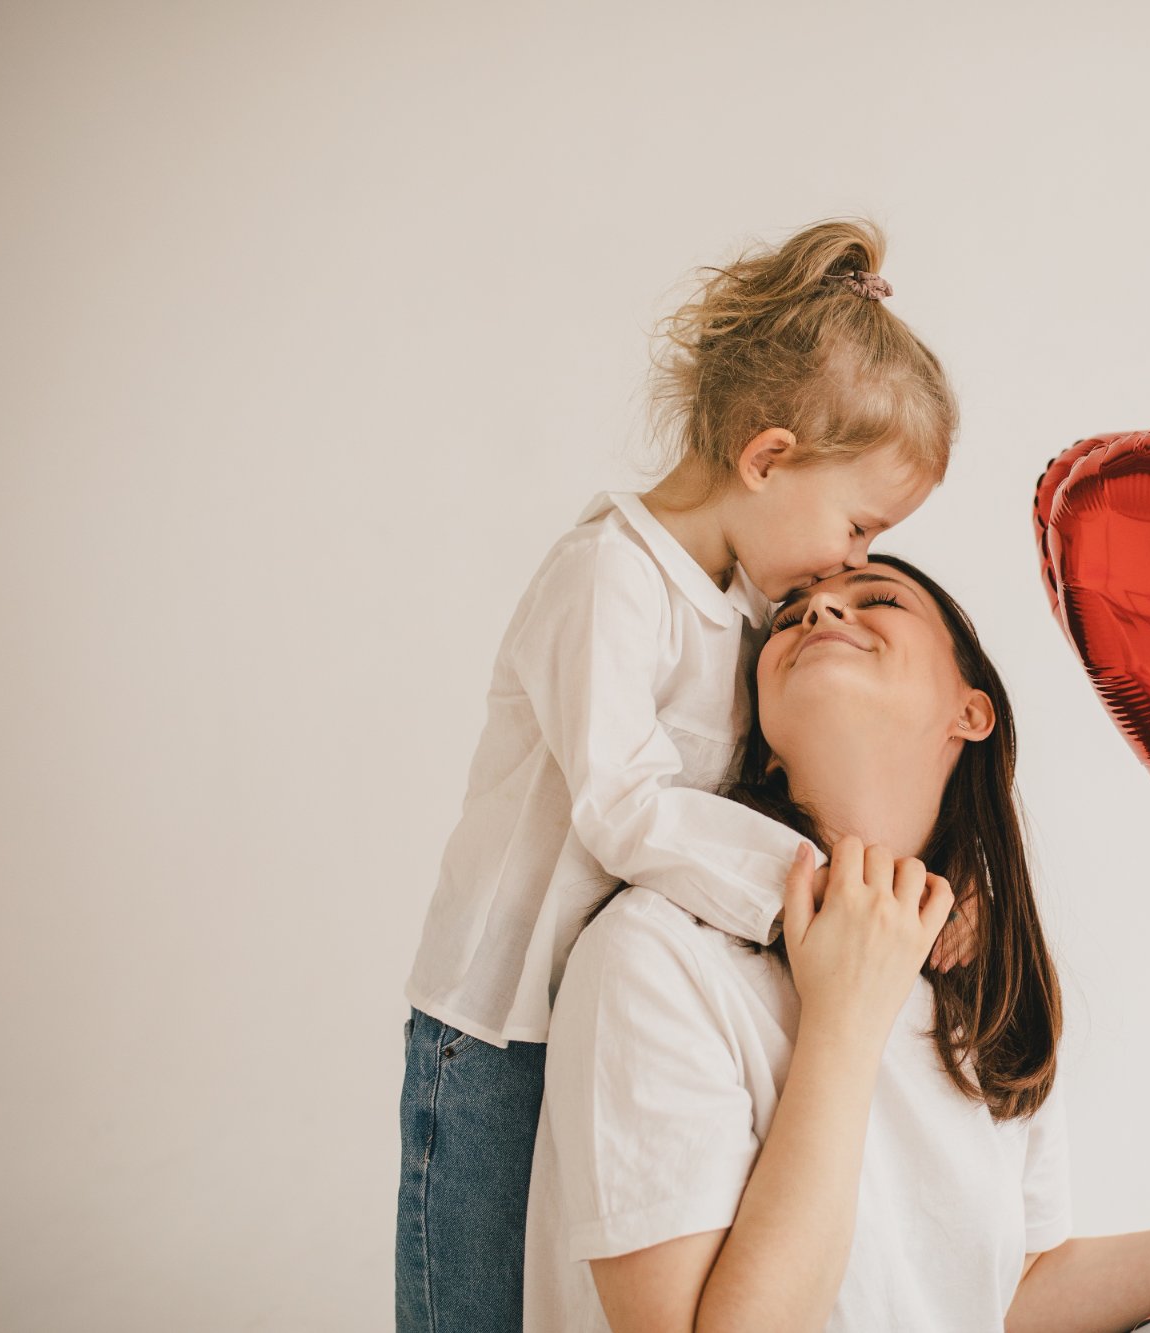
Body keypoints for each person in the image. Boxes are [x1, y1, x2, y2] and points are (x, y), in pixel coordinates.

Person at [524, 554, 1150, 1332]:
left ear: (970, 711)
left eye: (875, 600)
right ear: (764, 746)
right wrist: (843, 1020)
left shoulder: (981, 988)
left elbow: (1017, 1291)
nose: (821, 611)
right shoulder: (656, 953)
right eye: (791, 619)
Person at [395, 218, 983, 1332]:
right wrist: (820, 886)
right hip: (495, 1017)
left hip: (605, 1000)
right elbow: (620, 808)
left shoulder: (745, 599)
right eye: (857, 524)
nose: (852, 566)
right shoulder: (608, 578)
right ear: (766, 459)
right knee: (469, 1303)